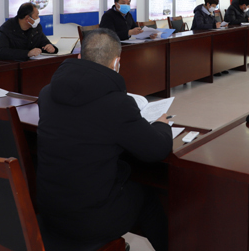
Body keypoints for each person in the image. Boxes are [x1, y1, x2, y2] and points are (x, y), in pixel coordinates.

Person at [36, 28, 172, 251]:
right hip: (90, 222)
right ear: (116, 62)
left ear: (79, 56)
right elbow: (156, 150)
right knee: (147, 196)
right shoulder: (117, 104)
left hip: (49, 210)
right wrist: (161, 125)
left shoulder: (46, 94)